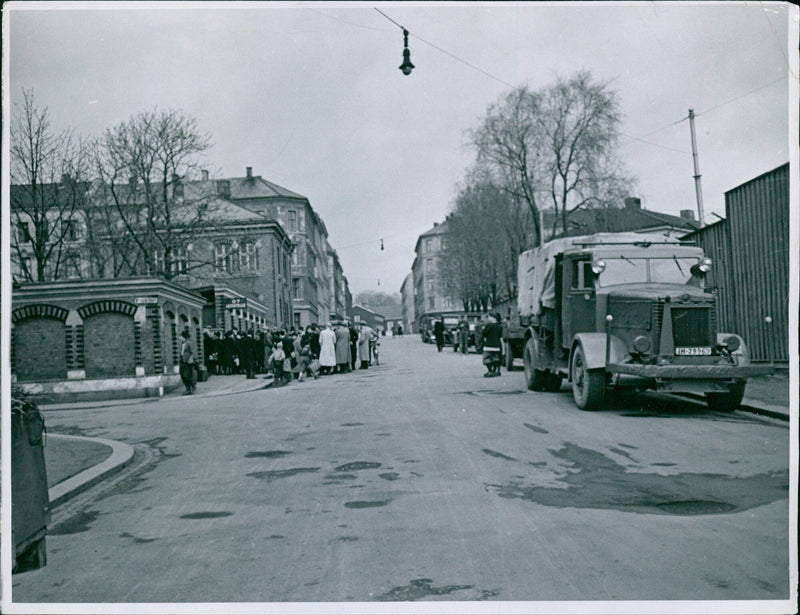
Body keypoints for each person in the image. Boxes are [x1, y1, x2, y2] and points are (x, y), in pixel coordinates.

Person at [481, 313, 504, 377]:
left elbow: (484, 333)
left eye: (489, 317)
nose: (488, 318)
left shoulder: (489, 325)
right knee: (495, 358)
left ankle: (490, 371)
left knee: (486, 358)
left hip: (488, 345)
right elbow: (500, 336)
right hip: (496, 346)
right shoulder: (499, 326)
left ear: (493, 318)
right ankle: (495, 371)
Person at [179, 330, 197, 394]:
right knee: (182, 376)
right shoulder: (181, 344)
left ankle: (192, 386)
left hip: (187, 362)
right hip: (182, 361)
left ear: (183, 337)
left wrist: (190, 359)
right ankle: (187, 389)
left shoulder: (188, 343)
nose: (180, 338)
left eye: (180, 336)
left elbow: (192, 352)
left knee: (186, 376)